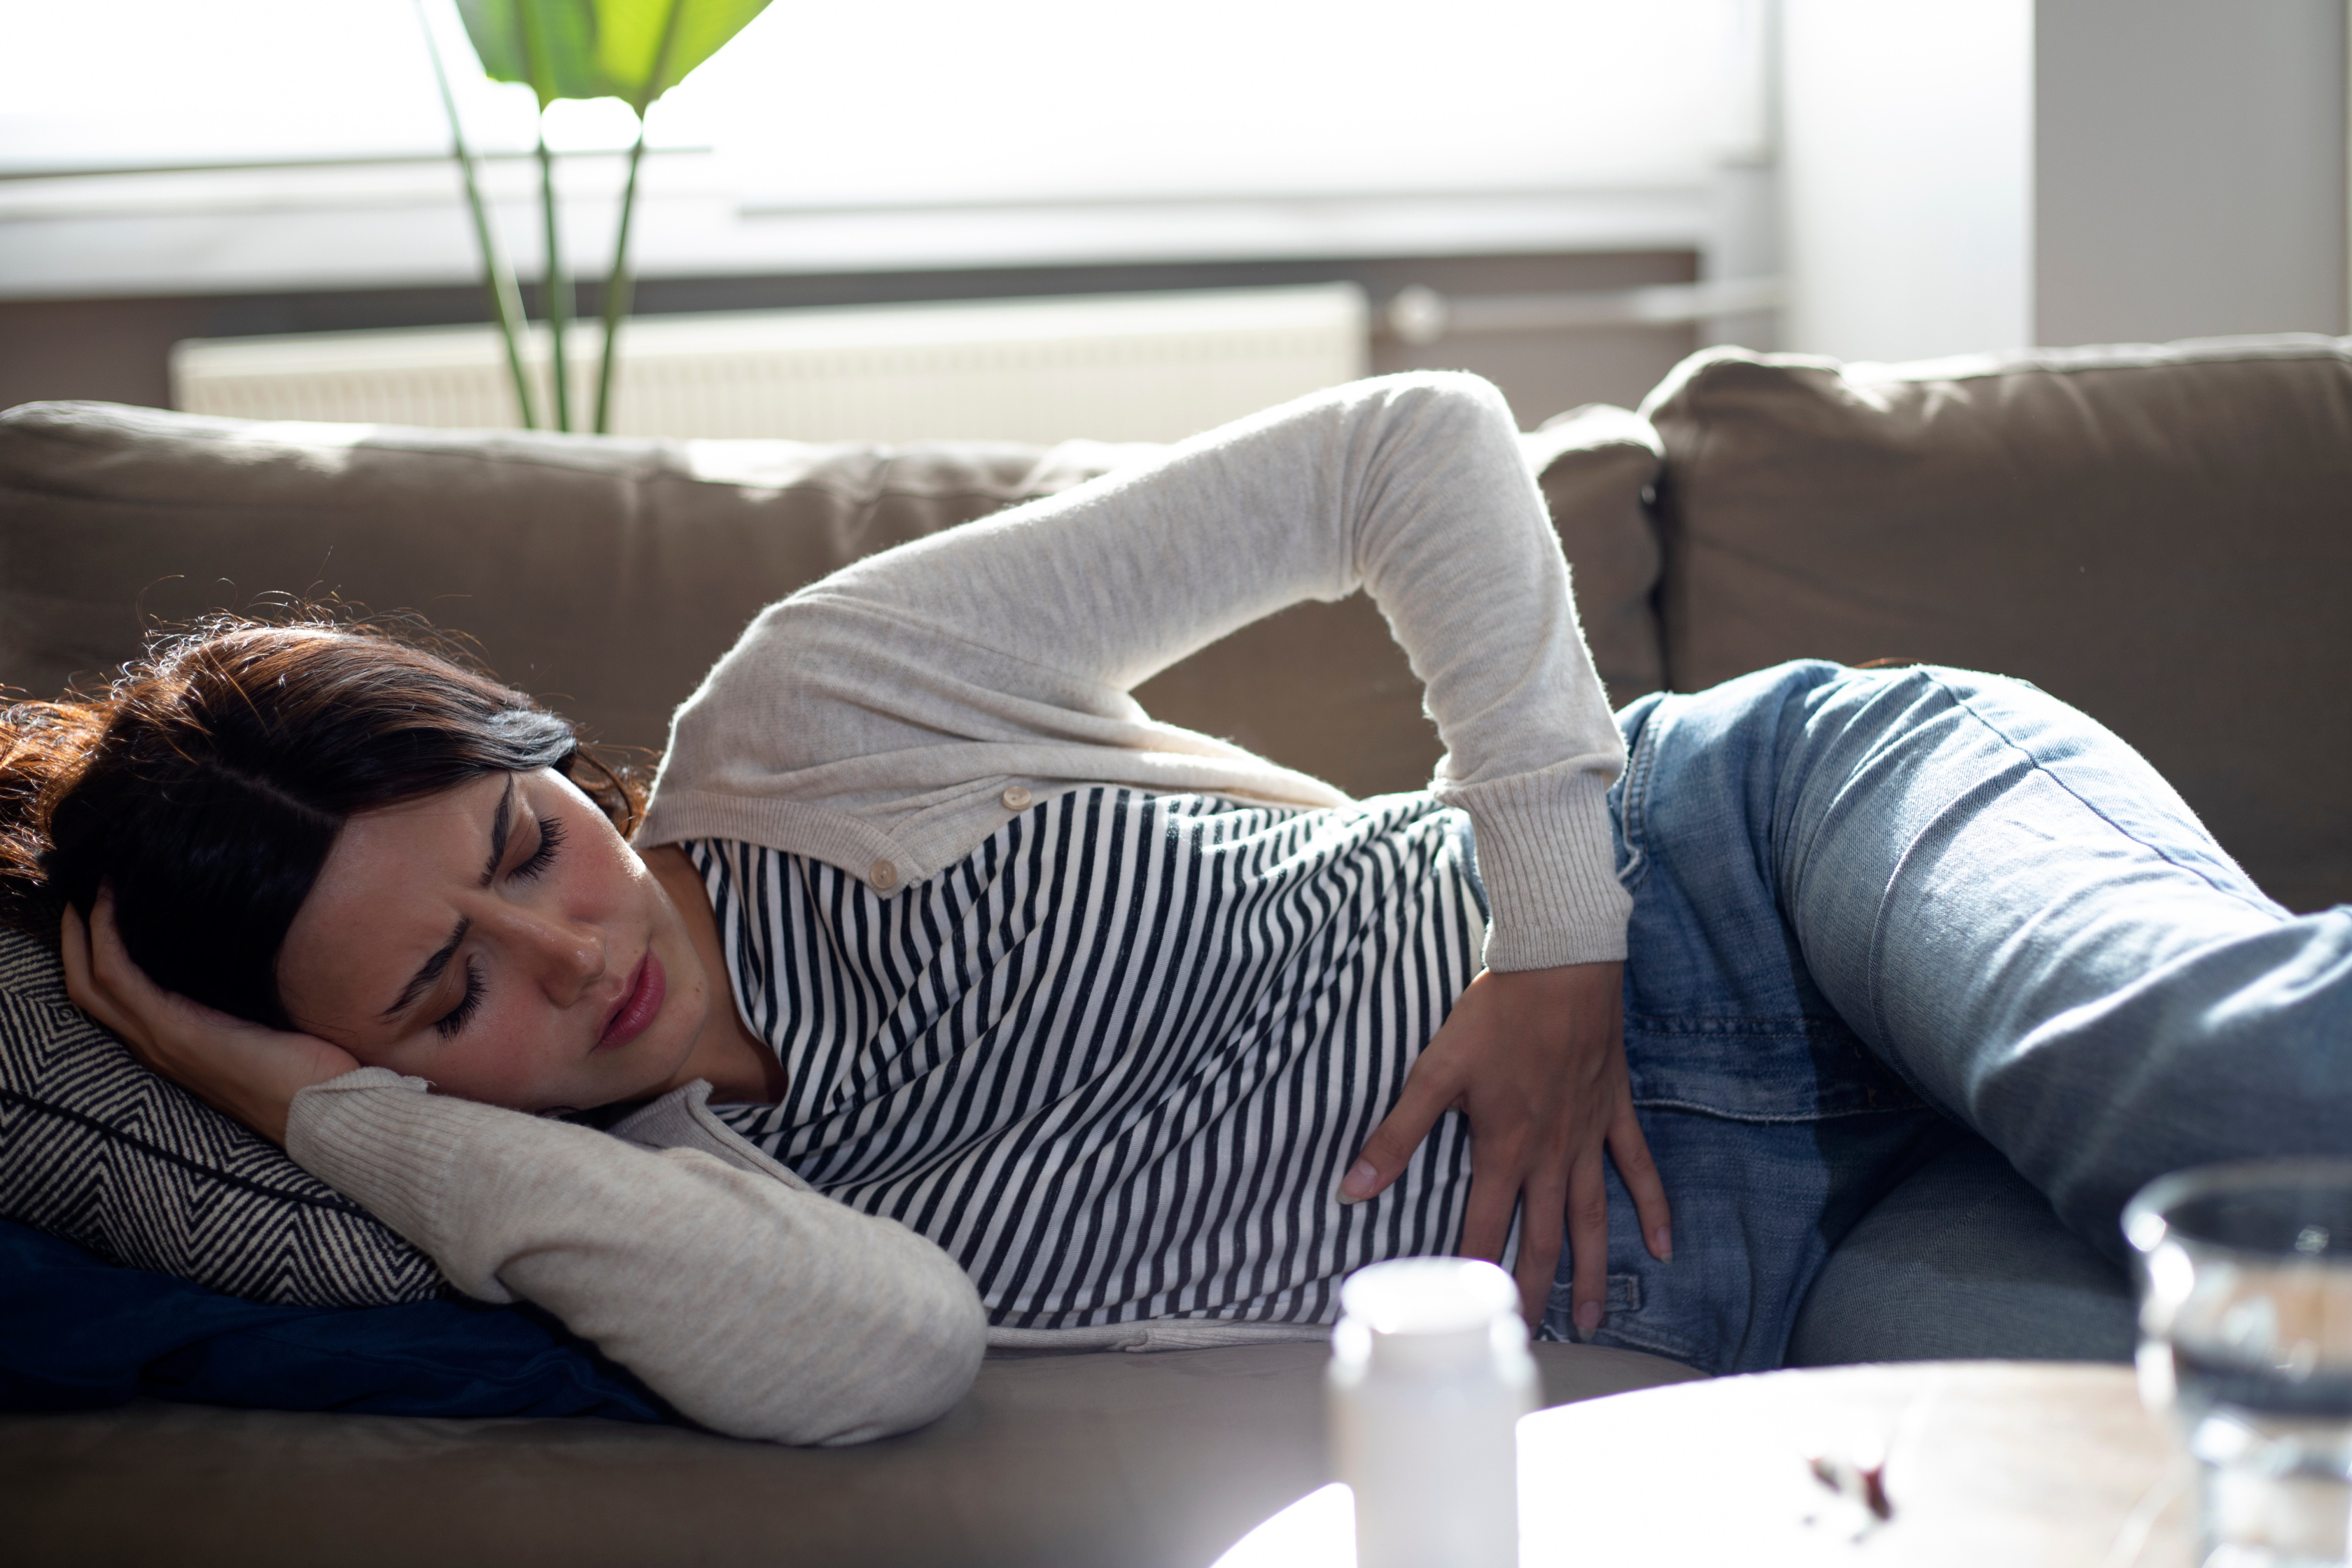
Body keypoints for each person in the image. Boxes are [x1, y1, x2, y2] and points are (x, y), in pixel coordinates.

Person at [2, 374, 2344, 1446]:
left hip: (1772, 865)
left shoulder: (811, 713)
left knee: (2227, 1079)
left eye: (527, 849)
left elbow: (1405, 447)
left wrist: (1556, 938)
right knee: (2209, 1434)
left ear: (534, 749)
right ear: (376, 1068)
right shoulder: (650, 1216)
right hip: (1785, 1258)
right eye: (447, 998)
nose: (574, 956)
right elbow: (891, 1355)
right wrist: (327, 1122)